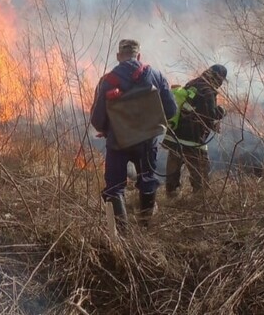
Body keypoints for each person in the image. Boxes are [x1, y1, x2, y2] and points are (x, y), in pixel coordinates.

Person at [90, 39, 176, 231]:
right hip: (147, 142)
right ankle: (145, 226)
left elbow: (96, 119)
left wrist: (107, 130)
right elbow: (171, 110)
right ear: (138, 56)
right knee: (147, 181)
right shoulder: (156, 75)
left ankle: (121, 234)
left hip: (117, 143)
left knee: (115, 186)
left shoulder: (107, 81)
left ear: (119, 57)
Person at [162, 64, 227, 197]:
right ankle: (199, 200)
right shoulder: (207, 91)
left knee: (172, 172)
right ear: (218, 78)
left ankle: (171, 196)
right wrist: (221, 111)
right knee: (201, 175)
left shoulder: (193, 83)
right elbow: (209, 116)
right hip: (193, 140)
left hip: (175, 137)